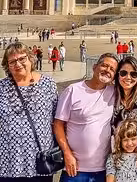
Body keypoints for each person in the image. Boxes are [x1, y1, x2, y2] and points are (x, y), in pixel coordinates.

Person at [0, 42, 60, 182]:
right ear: (7, 65)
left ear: (30, 59)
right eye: (12, 61)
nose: (18, 64)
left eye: (22, 59)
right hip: (6, 158)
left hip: (39, 158)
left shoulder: (48, 84)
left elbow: (58, 119)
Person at [55, 53, 118, 182]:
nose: (107, 70)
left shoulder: (114, 92)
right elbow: (58, 124)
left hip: (102, 169)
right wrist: (66, 153)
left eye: (112, 69)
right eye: (104, 65)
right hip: (74, 168)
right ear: (94, 67)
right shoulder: (73, 90)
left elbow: (130, 84)